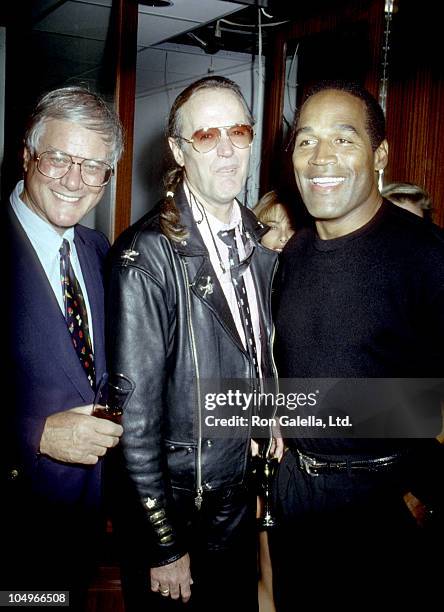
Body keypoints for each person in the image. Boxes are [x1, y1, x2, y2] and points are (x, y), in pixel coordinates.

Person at [106, 75, 281, 612]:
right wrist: (162, 544)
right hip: (182, 510)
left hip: (238, 500)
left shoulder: (257, 237)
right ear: (180, 151)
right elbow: (133, 421)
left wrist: (268, 408)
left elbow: (253, 346)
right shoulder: (147, 255)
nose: (227, 147)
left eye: (239, 130)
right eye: (206, 136)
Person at [270, 80, 444, 608]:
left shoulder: (425, 257)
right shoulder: (290, 257)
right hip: (295, 498)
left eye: (344, 140)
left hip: (386, 507)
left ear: (380, 156)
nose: (321, 157)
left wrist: (423, 497)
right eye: (306, 140)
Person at [2, 86, 124, 608]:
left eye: (93, 166)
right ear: (28, 156)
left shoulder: (100, 252)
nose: (75, 181)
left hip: (79, 531)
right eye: (58, 159)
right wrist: (36, 435)